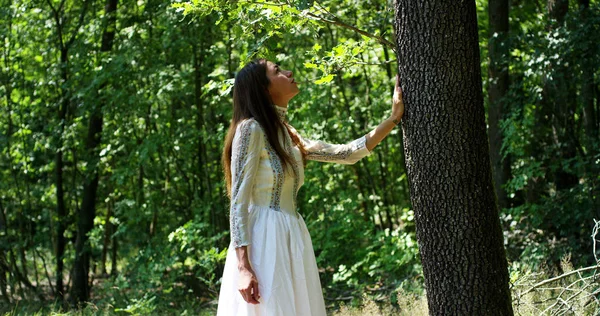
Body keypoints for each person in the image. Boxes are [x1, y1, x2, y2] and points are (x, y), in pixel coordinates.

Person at [217, 58, 404, 315]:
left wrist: (394, 118)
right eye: (277, 71)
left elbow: (346, 154)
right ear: (263, 88)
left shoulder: (287, 133)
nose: (289, 71)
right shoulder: (250, 129)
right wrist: (243, 267)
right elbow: (238, 201)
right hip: (262, 239)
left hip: (292, 233)